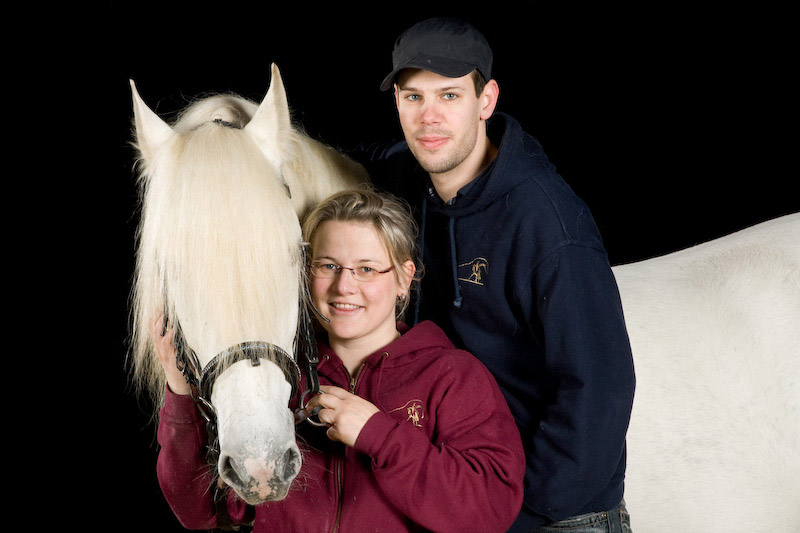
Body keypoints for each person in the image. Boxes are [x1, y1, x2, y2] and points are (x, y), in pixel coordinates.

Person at [351, 18, 636, 532]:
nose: (429, 117)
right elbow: (347, 161)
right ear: (396, 102)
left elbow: (601, 392)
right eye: (413, 97)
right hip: (461, 490)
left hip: (558, 514)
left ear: (486, 100)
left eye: (449, 95)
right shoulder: (406, 180)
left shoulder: (550, 225)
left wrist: (518, 509)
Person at [154, 187, 526, 532]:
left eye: (366, 269)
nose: (344, 286)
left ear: (403, 279)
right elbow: (201, 511)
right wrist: (180, 392)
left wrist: (378, 436)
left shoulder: (452, 376)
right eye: (328, 265)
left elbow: (490, 509)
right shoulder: (277, 377)